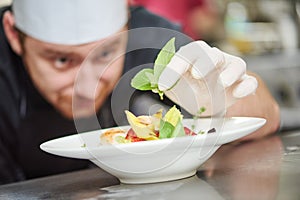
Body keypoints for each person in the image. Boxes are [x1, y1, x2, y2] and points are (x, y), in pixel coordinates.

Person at [0, 0, 279, 185]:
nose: (87, 87)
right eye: (61, 61)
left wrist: (219, 97)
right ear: (14, 35)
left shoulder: (149, 37)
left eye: (105, 53)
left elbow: (270, 115)